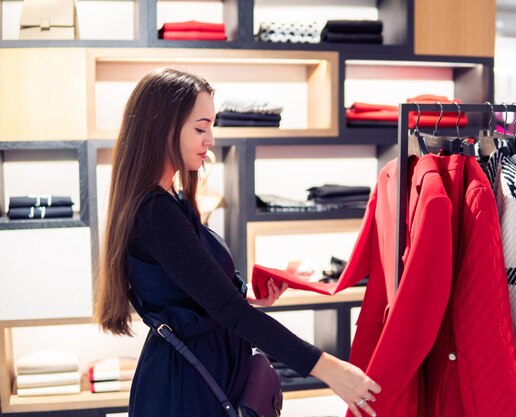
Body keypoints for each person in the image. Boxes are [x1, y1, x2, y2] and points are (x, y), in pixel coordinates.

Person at [95, 68, 380, 417]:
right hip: (186, 384)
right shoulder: (155, 213)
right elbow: (230, 313)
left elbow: (197, 293)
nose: (210, 140)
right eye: (200, 128)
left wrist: (244, 294)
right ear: (162, 128)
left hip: (204, 371)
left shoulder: (170, 198)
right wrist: (330, 369)